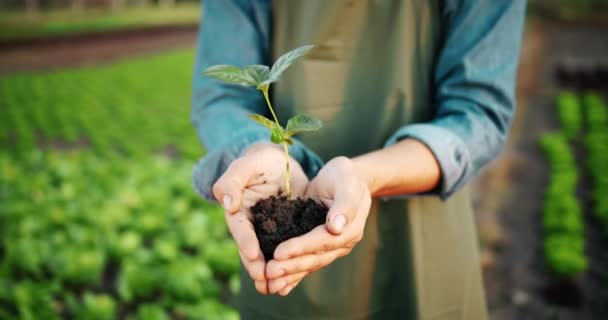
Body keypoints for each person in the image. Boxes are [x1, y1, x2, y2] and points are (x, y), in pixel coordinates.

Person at [191, 1, 526, 319]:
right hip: (279, 247)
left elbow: (477, 112)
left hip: (422, 227)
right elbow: (222, 99)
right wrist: (260, 149)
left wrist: (363, 175)